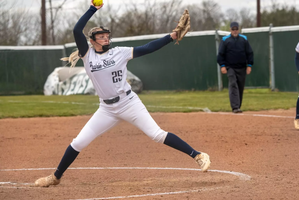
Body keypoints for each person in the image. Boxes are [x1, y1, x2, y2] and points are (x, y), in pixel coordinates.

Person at [34, 1, 211, 187]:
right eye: (101, 37)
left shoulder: (120, 52)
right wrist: (93, 9)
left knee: (157, 134)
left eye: (106, 36)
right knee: (78, 142)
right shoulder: (88, 55)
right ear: (92, 40)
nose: (105, 39)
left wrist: (171, 36)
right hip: (106, 109)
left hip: (128, 103)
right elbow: (77, 30)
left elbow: (148, 47)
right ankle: (55, 177)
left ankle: (198, 155)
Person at [217, 22, 254, 113]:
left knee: (240, 87)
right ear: (230, 30)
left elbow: (249, 53)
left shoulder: (244, 39)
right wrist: (222, 66)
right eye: (233, 29)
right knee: (233, 84)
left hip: (242, 67)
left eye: (236, 29)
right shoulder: (225, 40)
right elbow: (220, 54)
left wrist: (249, 65)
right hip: (230, 67)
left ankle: (238, 106)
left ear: (239, 29)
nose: (235, 31)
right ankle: (235, 107)